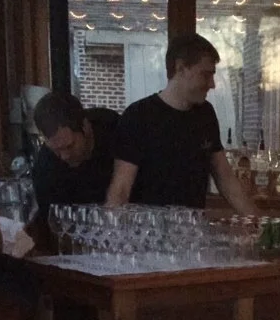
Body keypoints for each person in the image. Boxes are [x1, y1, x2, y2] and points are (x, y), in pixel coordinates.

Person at [106, 32, 260, 215]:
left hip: (193, 235)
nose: (212, 84)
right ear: (180, 68)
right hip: (150, 237)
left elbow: (224, 177)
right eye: (205, 75)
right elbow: (121, 189)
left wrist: (260, 223)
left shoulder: (205, 114)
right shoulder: (138, 116)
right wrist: (115, 236)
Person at [29, 90, 119, 225]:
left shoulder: (115, 131)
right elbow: (51, 221)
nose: (64, 156)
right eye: (56, 150)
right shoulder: (45, 167)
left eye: (69, 146)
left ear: (86, 126)